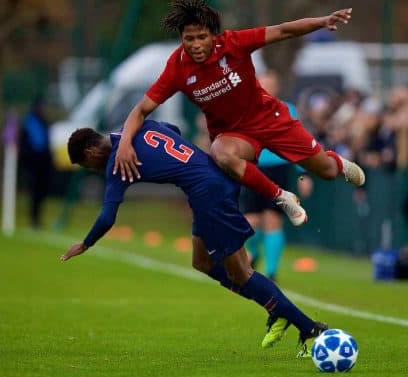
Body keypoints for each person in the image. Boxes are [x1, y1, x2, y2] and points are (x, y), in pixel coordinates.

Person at [60, 120, 327, 354]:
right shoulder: (137, 127)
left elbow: (107, 217)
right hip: (207, 183)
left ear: (91, 151)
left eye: (89, 165)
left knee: (242, 273)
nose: (94, 169)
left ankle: (308, 327)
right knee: (202, 262)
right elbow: (172, 129)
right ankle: (276, 308)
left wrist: (85, 243)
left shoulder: (118, 162)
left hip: (209, 193)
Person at [114, 0, 365, 229]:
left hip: (271, 120)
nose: (196, 45)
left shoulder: (233, 43)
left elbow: (283, 30)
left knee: (328, 172)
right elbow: (141, 109)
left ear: (214, 35)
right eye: (188, 39)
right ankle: (281, 197)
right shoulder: (177, 68)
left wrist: (323, 21)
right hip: (235, 135)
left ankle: (337, 162)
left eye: (202, 37)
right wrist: (125, 142)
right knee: (221, 153)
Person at [239, 70, 310, 281]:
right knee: (250, 221)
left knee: (272, 219)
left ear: (277, 88)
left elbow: (300, 143)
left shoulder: (288, 110)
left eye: (270, 84)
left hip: (279, 169)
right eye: (263, 84)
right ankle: (254, 250)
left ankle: (271, 272)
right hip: (253, 169)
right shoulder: (246, 110)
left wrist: (303, 175)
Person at [20, 96, 52, 228]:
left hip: (43, 162)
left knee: (41, 191)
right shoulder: (29, 122)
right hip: (33, 163)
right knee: (34, 191)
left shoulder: (44, 122)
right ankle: (34, 219)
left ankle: (37, 218)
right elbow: (26, 144)